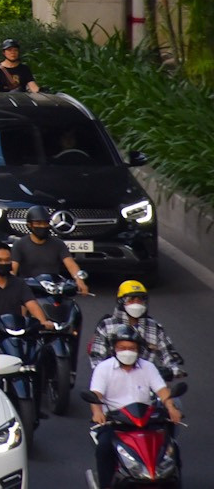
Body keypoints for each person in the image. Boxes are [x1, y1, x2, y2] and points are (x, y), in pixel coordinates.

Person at [89, 328, 182, 487]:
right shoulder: (104, 368)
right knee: (104, 448)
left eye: (131, 348)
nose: (127, 352)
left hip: (145, 420)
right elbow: (96, 395)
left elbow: (162, 391)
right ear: (114, 349)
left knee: (171, 448)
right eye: (122, 348)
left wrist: (172, 408)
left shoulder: (148, 367)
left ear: (138, 350)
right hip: (115, 422)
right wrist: (97, 412)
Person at [88, 280, 186, 381]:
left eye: (140, 300)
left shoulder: (155, 327)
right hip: (114, 381)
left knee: (171, 396)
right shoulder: (106, 325)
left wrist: (173, 370)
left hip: (147, 382)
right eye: (131, 300)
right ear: (121, 302)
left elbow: (167, 353)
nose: (136, 304)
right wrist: (103, 374)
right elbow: (97, 356)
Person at [11, 205, 90, 291]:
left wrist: (79, 280)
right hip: (29, 290)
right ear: (30, 225)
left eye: (45, 223)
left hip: (54, 288)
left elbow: (70, 264)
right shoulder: (20, 244)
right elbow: (13, 269)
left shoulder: (58, 243)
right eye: (38, 223)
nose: (42, 226)